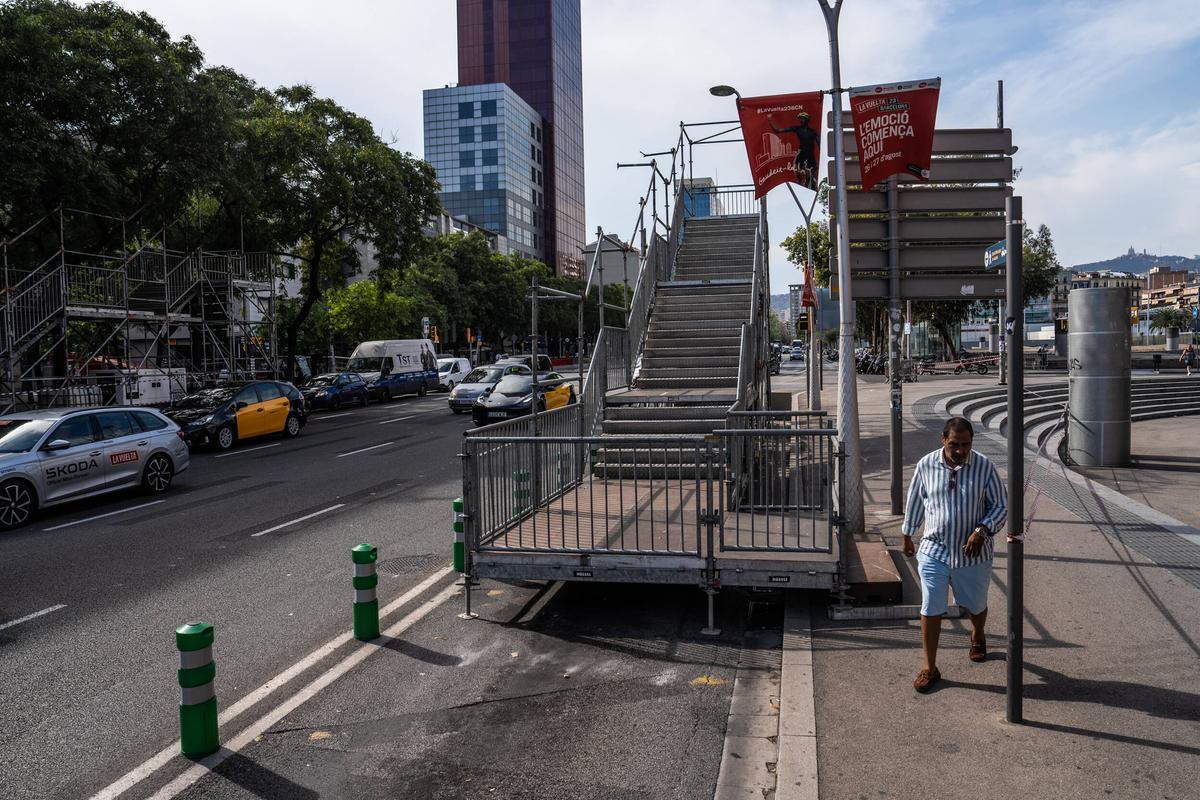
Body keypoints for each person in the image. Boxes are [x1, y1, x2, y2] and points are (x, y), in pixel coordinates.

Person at [901, 417, 1008, 693]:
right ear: (942, 440)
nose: (960, 450)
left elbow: (1000, 506)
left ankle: (978, 633)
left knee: (975, 605)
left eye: (965, 445)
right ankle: (929, 667)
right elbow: (915, 499)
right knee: (931, 607)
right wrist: (907, 535)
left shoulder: (984, 467)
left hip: (972, 554)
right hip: (934, 550)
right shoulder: (926, 465)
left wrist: (982, 530)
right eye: (954, 444)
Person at [768, 110, 819, 190]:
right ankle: (800, 182)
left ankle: (811, 186)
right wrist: (770, 120)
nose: (801, 120)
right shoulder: (797, 129)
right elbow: (777, 130)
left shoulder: (813, 132)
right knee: (796, 168)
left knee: (811, 173)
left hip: (810, 155)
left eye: (803, 119)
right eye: (800, 119)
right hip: (801, 153)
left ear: (807, 120)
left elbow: (820, 144)